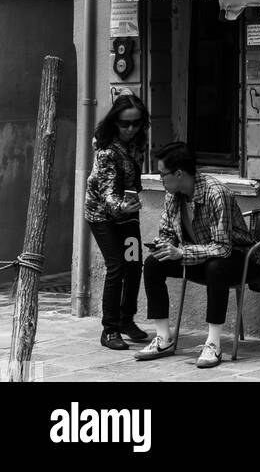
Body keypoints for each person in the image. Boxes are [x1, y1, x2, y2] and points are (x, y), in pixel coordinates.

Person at [136, 141, 252, 369]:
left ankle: (213, 343)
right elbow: (167, 231)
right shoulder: (173, 195)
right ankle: (163, 339)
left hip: (238, 257)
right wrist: (165, 246)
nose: (160, 179)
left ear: (179, 173)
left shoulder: (216, 193)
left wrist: (181, 252)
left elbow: (222, 247)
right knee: (153, 263)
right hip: (198, 254)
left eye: (162, 174)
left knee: (215, 267)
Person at [84, 93, 151, 350]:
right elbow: (108, 192)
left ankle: (126, 320)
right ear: (115, 122)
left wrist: (131, 203)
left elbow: (133, 180)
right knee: (117, 267)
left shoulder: (138, 143)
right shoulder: (106, 151)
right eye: (125, 124)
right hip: (102, 215)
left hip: (128, 215)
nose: (131, 129)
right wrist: (123, 205)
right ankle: (109, 330)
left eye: (136, 123)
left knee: (134, 264)